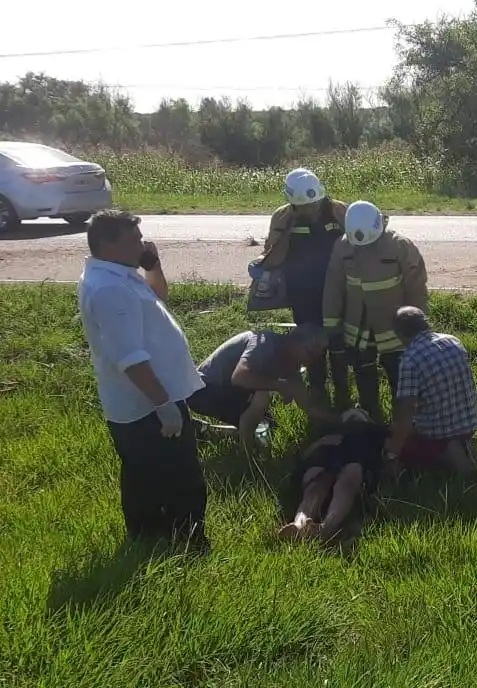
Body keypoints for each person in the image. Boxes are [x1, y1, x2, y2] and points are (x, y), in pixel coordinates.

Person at [77, 209, 210, 550]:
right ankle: (186, 542)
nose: (143, 244)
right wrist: (163, 404)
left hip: (152, 397)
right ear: (108, 244)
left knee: (144, 475)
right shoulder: (109, 289)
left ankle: (149, 540)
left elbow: (159, 296)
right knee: (178, 475)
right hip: (146, 402)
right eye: (134, 240)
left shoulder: (120, 275)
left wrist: (153, 266)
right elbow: (129, 357)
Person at [251, 168, 351, 410]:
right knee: (312, 345)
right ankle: (318, 392)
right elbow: (273, 260)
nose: (310, 209)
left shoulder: (339, 211)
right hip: (303, 294)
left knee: (338, 343)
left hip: (337, 292)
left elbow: (359, 249)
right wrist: (287, 229)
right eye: (303, 206)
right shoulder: (283, 217)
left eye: (314, 203)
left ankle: (343, 394)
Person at [322, 201, 429, 423]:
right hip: (359, 331)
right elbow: (333, 287)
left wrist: (416, 329)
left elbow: (416, 288)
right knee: (364, 376)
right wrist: (332, 327)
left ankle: (405, 422)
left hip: (396, 331)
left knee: (401, 381)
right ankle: (371, 417)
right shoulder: (342, 247)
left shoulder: (400, 246)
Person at [186, 324, 338, 451]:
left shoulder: (292, 364)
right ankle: (248, 456)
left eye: (315, 357)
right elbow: (239, 377)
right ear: (294, 342)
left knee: (269, 428)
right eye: (309, 352)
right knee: (261, 396)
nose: (310, 361)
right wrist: (279, 386)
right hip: (204, 391)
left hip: (226, 392)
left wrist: (338, 420)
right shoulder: (265, 343)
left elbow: (307, 405)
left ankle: (209, 430)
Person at [382, 306, 477, 478]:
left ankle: (447, 453)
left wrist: (392, 453)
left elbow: (407, 411)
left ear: (399, 334)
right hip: (468, 423)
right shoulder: (453, 341)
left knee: (391, 438)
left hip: (437, 433)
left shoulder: (410, 359)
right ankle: (463, 444)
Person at [278, 407, 389, 543]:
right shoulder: (326, 431)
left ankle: (327, 527)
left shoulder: (374, 431)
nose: (354, 416)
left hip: (355, 459)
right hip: (325, 457)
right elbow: (306, 452)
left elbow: (391, 447)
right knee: (315, 485)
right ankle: (299, 525)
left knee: (348, 478)